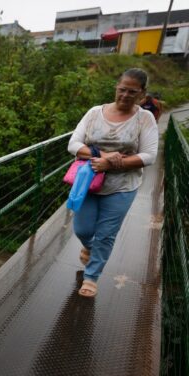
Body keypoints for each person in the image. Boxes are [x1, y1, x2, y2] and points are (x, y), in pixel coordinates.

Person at [67, 68, 159, 297]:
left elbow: (149, 156)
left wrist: (113, 164)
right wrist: (104, 157)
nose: (126, 95)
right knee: (83, 228)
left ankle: (91, 277)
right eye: (123, 89)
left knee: (107, 233)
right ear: (116, 87)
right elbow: (73, 144)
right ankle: (89, 246)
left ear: (142, 93)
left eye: (132, 91)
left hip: (123, 186)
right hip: (89, 181)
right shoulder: (94, 113)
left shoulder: (144, 118)